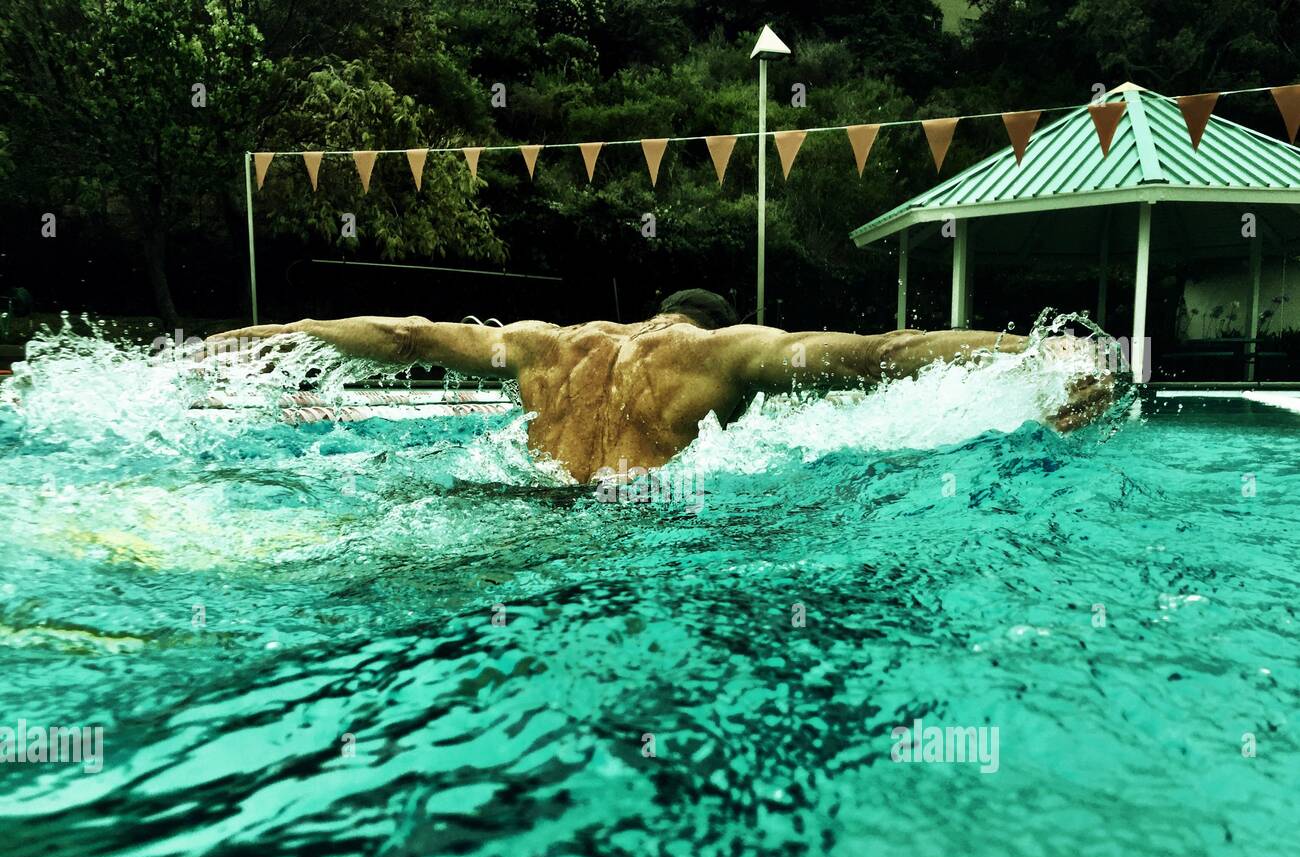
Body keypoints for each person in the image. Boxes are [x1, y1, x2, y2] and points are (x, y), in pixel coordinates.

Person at [209, 289, 1113, 483]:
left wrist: (263, 338)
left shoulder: (547, 344)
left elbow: (404, 333)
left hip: (512, 508)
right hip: (631, 542)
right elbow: (880, 354)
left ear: (650, 310)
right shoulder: (713, 356)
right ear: (703, 321)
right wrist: (1039, 352)